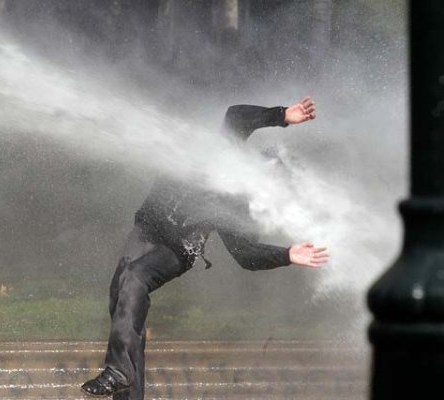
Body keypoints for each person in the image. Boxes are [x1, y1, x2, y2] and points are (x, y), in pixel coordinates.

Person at [81, 96, 329, 399]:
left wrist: (288, 254)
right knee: (121, 297)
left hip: (178, 249)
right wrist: (282, 115)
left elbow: (245, 254)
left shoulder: (236, 204)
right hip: (147, 228)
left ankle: (119, 373)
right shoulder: (227, 150)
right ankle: (126, 386)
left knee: (135, 278)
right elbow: (236, 115)